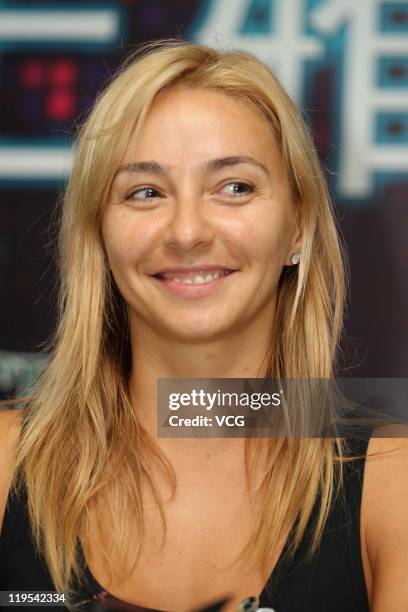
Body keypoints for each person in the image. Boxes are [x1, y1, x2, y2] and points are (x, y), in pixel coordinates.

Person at [1, 39, 408, 612]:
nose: (187, 232)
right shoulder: (5, 462)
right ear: (100, 237)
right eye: (145, 192)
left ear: (298, 227)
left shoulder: (394, 484)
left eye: (234, 187)